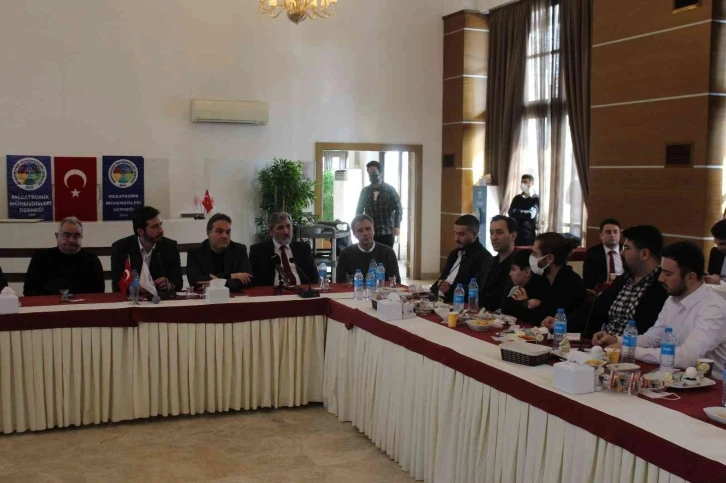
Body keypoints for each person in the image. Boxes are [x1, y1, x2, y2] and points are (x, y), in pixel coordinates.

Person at [594, 242, 726, 378]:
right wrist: (617, 340)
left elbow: (687, 358)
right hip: (676, 378)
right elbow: (652, 339)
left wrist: (630, 350)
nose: (660, 278)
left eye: (668, 274)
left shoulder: (713, 308)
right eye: (662, 271)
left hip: (711, 386)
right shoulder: (673, 299)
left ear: (690, 277)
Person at [572, 225, 668, 338]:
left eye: (627, 248)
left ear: (644, 254)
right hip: (602, 343)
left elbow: (652, 335)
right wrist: (562, 321)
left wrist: (616, 341)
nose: (621, 253)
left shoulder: (664, 286)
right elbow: (593, 312)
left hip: (632, 346)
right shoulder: (623, 280)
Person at [23, 217, 104, 296]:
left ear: (81, 238)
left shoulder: (92, 260)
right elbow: (29, 291)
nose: (71, 240)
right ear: (57, 236)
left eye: (76, 236)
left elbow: (99, 293)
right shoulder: (40, 258)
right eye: (66, 235)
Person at [110, 206, 183, 293]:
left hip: (160, 299)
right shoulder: (120, 247)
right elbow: (117, 285)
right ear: (140, 231)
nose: (161, 231)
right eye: (155, 227)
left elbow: (178, 282)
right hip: (133, 299)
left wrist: (170, 285)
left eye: (160, 224)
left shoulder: (170, 246)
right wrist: (133, 288)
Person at [431, 215, 491, 302]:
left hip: (456, 302)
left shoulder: (484, 258)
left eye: (461, 234)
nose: (457, 238)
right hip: (438, 299)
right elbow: (442, 278)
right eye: (455, 233)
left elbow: (478, 289)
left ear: (474, 234)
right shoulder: (454, 253)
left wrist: (450, 289)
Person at [186, 213, 253, 292]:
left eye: (228, 232)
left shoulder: (239, 250)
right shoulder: (195, 252)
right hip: (206, 297)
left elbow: (247, 279)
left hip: (232, 296)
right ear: (208, 233)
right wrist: (231, 276)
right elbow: (195, 281)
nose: (225, 236)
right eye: (219, 231)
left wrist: (223, 283)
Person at [249, 212, 318, 287]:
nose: (286, 231)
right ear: (270, 231)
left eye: (288, 226)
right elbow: (254, 279)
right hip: (272, 291)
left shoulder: (303, 248)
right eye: (280, 228)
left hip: (301, 290)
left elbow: (314, 277)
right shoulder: (258, 251)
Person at [529, 232, 586, 323]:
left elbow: (550, 315)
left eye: (535, 254)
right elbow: (512, 304)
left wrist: (539, 305)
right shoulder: (539, 276)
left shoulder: (572, 283)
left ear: (549, 258)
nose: (531, 257)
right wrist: (526, 303)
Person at [336, 214, 400, 284]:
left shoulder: (388, 252)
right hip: (355, 290)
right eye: (360, 230)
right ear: (354, 234)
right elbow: (340, 284)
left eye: (368, 229)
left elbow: (396, 282)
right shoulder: (346, 254)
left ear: (374, 230)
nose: (365, 233)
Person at [355, 160, 403, 248]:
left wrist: (397, 226)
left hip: (387, 232)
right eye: (369, 173)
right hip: (369, 233)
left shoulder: (390, 190)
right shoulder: (365, 191)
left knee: (386, 255)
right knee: (369, 254)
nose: (371, 175)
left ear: (381, 173)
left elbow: (398, 208)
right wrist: (357, 227)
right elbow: (359, 210)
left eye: (373, 172)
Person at [478, 215, 518, 311]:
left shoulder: (519, 265)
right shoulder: (487, 262)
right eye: (491, 233)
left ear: (513, 236)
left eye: (499, 232)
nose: (493, 237)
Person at [500, 249, 551, 323]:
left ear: (527, 272)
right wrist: (525, 304)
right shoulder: (517, 287)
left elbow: (534, 319)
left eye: (513, 269)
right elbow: (505, 306)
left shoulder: (540, 288)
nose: (510, 273)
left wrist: (522, 306)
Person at [582, 218, 625, 290]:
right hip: (602, 291)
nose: (612, 235)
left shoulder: (627, 251)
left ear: (619, 235)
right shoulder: (592, 253)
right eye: (608, 232)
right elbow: (588, 280)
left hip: (624, 290)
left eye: (615, 232)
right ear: (601, 235)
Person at [508, 174, 539, 246]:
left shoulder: (535, 199)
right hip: (515, 234)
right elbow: (510, 213)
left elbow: (531, 214)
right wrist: (522, 213)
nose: (522, 184)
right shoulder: (517, 198)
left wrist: (516, 211)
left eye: (525, 182)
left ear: (531, 184)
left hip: (528, 235)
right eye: (521, 182)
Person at [704, 219, 726, 285]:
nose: (719, 248)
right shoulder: (715, 253)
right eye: (717, 244)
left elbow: (717, 281)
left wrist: (719, 283)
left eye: (723, 244)